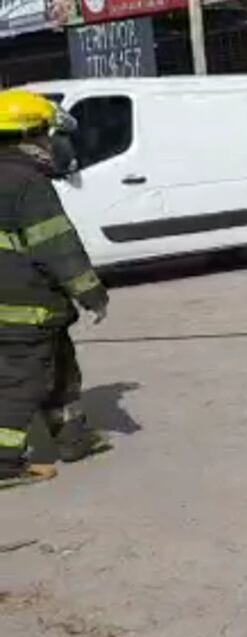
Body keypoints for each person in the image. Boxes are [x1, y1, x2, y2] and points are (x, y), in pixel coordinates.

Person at [0, 89, 110, 485]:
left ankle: (71, 437)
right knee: (22, 381)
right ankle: (4, 463)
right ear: (28, 135)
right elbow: (58, 247)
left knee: (61, 368)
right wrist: (92, 294)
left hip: (29, 303)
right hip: (23, 306)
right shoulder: (27, 182)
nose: (55, 144)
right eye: (49, 134)